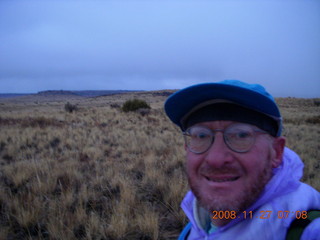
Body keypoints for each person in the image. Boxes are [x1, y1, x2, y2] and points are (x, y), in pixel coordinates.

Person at [164, 80, 320, 240]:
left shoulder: (306, 229)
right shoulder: (196, 225)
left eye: (241, 135)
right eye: (201, 135)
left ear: (276, 152)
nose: (215, 159)